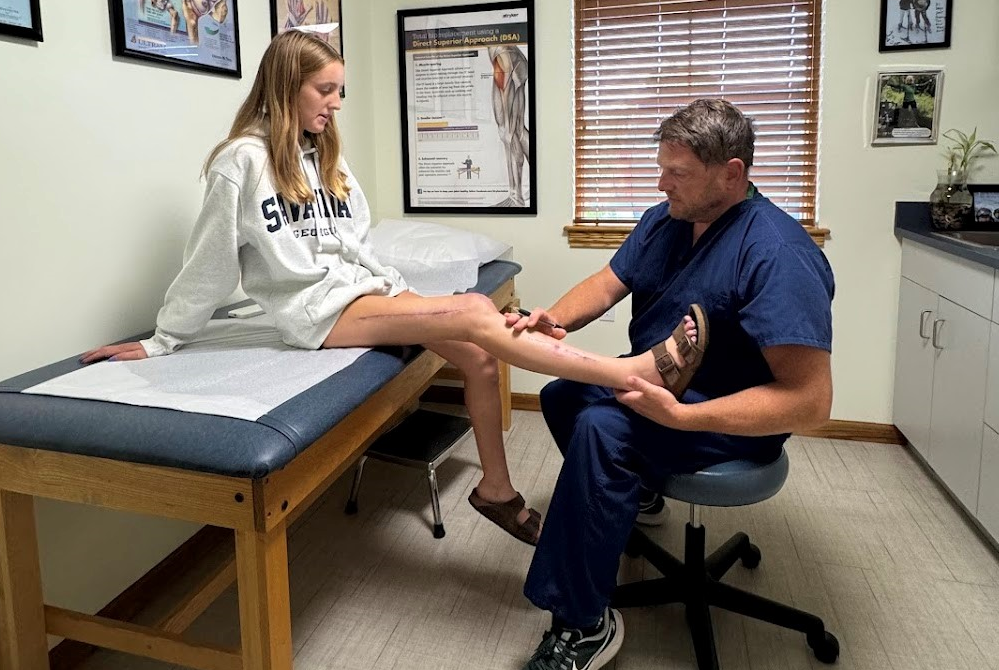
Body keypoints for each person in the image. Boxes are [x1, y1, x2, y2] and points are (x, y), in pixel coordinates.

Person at [81, 30, 703, 548]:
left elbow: (356, 241)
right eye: (325, 90)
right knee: (475, 311)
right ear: (284, 87)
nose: (336, 103)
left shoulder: (326, 155)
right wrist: (164, 340)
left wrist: (402, 295)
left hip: (365, 290)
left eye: (340, 91)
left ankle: (495, 490)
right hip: (316, 311)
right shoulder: (239, 163)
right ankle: (633, 374)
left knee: (480, 350)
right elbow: (209, 264)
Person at [508, 99, 834, 670]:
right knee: (562, 395)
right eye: (662, 168)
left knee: (601, 428)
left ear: (731, 173)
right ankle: (640, 491)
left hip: (724, 417)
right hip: (660, 392)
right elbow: (609, 281)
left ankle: (585, 623)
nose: (662, 184)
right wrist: (552, 322)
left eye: (676, 173)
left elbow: (810, 403)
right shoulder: (670, 218)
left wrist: (683, 418)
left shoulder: (777, 254)